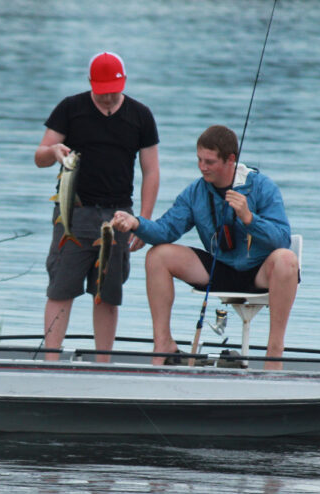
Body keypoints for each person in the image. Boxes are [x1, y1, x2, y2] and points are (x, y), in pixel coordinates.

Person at [112, 125, 299, 370]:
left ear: (231, 159)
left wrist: (249, 218)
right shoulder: (196, 191)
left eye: (209, 161)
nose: (202, 167)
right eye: (199, 159)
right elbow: (165, 231)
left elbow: (282, 239)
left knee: (286, 259)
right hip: (219, 269)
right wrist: (136, 223)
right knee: (157, 255)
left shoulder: (262, 186)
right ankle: (163, 344)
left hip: (259, 272)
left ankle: (274, 354)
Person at [34, 52, 160, 362]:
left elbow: (152, 171)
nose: (107, 98)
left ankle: (102, 363)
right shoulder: (70, 108)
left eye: (113, 91)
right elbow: (39, 157)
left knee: (108, 294)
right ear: (92, 84)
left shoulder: (140, 115)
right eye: (102, 91)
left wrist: (143, 221)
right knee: (60, 289)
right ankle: (50, 362)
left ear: (123, 83)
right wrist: (54, 151)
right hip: (74, 213)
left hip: (118, 216)